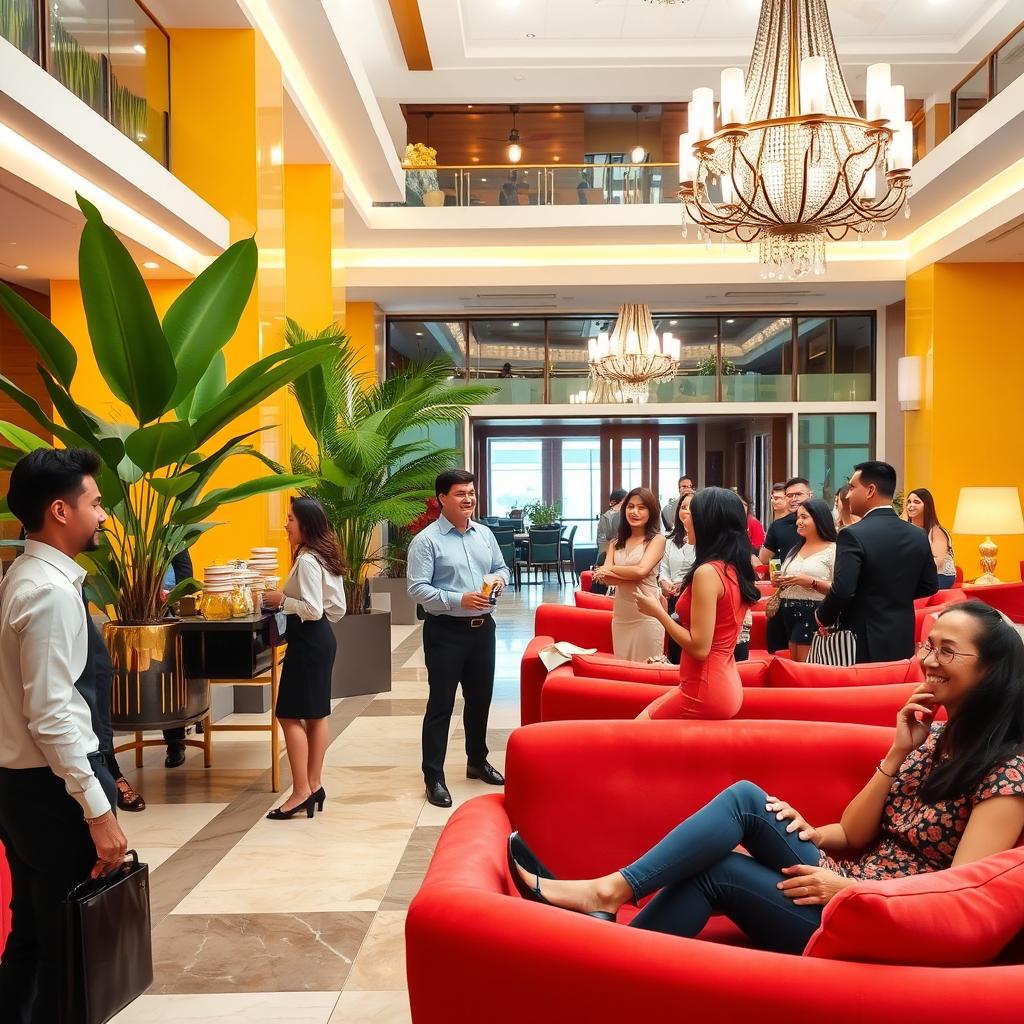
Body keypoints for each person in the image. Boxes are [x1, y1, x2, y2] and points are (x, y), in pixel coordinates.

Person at [509, 601, 1024, 953]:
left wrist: (846, 888)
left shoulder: (1008, 774)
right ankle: (606, 924)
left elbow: (960, 896)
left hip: (881, 920)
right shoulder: (932, 739)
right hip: (851, 885)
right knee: (747, 801)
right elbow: (854, 834)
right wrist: (895, 754)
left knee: (720, 866)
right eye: (927, 646)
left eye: (947, 651)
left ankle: (604, 914)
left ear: (994, 671)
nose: (928, 662)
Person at [0, 448, 128, 1023]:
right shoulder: (49, 592)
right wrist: (98, 811)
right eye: (95, 503)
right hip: (50, 793)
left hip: (21, 785)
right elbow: (52, 713)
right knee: (63, 948)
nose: (103, 515)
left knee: (33, 930)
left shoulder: (23, 575)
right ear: (60, 510)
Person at [407, 469, 510, 809]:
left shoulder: (484, 534)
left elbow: (502, 567)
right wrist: (458, 599)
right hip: (446, 632)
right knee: (441, 705)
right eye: (460, 493)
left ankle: (476, 761)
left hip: (484, 630)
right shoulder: (426, 541)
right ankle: (433, 776)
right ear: (442, 499)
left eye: (471, 492)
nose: (468, 499)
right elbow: (417, 589)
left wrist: (498, 580)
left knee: (480, 701)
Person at [635, 488, 759, 720]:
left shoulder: (708, 573)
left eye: (691, 514)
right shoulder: (731, 567)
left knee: (634, 734)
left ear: (708, 523)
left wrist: (658, 613)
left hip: (705, 687)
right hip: (722, 682)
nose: (685, 519)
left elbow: (700, 648)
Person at [261, 497, 347, 820]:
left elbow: (312, 609)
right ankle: (313, 784)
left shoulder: (310, 560)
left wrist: (282, 599)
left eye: (290, 519)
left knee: (288, 714)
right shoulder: (325, 557)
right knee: (315, 714)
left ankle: (300, 791)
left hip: (308, 642)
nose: (286, 524)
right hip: (321, 640)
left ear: (305, 525)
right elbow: (336, 609)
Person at [816, 462, 938, 663]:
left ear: (870, 490)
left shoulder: (851, 535)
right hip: (902, 635)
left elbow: (843, 589)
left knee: (861, 692)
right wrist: (893, 594)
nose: (848, 495)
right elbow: (930, 585)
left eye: (853, 488)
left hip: (860, 638)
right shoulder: (917, 534)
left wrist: (822, 617)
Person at [593, 487, 666, 663]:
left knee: (649, 671)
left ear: (651, 511)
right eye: (630, 506)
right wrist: (624, 573)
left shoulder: (657, 540)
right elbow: (607, 578)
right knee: (624, 670)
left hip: (647, 614)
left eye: (641, 507)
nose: (634, 512)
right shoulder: (616, 542)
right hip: (621, 616)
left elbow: (641, 571)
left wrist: (609, 569)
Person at [775, 499, 837, 662]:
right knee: (792, 663)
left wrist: (811, 582)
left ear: (819, 518)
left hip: (815, 613)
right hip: (788, 611)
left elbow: (840, 588)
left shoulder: (834, 549)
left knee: (806, 666)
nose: (798, 522)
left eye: (804, 517)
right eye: (798, 517)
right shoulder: (795, 549)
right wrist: (780, 581)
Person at [759, 477, 812, 654]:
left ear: (810, 495)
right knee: (778, 651)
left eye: (799, 494)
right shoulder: (779, 526)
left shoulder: (826, 525)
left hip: (816, 598)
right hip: (785, 595)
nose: (794, 499)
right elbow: (764, 558)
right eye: (789, 495)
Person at [659, 493, 695, 665]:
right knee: (674, 648)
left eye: (691, 507)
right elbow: (664, 569)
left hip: (693, 597)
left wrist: (686, 584)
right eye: (683, 507)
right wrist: (664, 582)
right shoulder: (670, 541)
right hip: (672, 596)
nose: (686, 511)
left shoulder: (702, 541)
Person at [905, 488, 956, 589]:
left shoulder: (937, 531)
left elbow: (937, 562)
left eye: (916, 502)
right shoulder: (906, 529)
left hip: (939, 575)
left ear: (927, 505)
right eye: (909, 502)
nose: (911, 506)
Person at [595, 488, 627, 558]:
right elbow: (603, 541)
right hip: (610, 553)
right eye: (625, 501)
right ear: (614, 502)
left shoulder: (626, 514)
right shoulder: (607, 516)